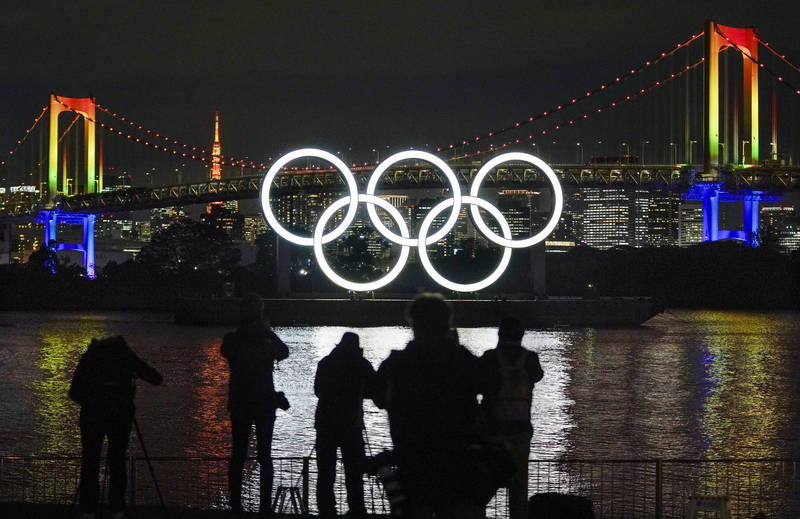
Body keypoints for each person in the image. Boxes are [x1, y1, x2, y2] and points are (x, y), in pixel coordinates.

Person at [373, 293, 495, 519]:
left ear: (413, 323)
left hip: (412, 462)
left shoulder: (397, 364)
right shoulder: (460, 359)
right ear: (447, 323)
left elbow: (378, 397)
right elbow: (489, 387)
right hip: (457, 462)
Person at [68, 335, 163, 519]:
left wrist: (92, 402)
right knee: (117, 463)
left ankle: (88, 510)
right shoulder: (125, 356)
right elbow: (156, 378)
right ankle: (117, 509)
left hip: (92, 416)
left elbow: (74, 392)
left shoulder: (90, 357)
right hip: (120, 416)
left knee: (90, 463)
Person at [221, 293, 289, 516]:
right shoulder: (266, 338)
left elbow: (226, 351)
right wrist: (266, 332)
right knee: (265, 455)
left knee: (238, 454)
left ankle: (236, 505)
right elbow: (284, 352)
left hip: (240, 401)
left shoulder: (232, 339)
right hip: (264, 401)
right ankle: (265, 506)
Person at [479, 317, 544, 519]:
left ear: (500, 335)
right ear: (521, 335)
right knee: (518, 489)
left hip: (492, 432)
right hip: (520, 432)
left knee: (482, 486)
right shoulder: (530, 360)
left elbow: (478, 384)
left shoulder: (490, 358)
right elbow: (538, 376)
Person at [314, 332, 375, 519]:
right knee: (354, 472)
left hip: (326, 424)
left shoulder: (325, 362)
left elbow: (318, 391)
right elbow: (374, 389)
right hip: (352, 425)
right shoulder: (361, 364)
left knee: (325, 473)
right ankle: (357, 509)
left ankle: (326, 510)